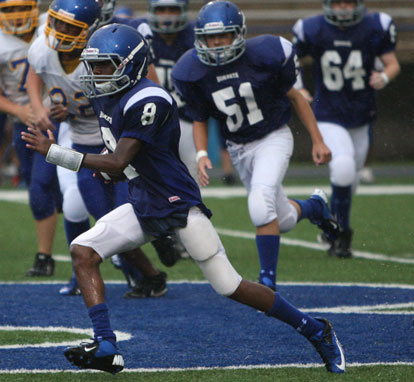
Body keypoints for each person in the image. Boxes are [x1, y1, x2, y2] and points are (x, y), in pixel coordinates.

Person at [22, 23, 345, 375]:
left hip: (176, 204)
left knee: (230, 286)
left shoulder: (150, 99)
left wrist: (56, 153)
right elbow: (116, 158)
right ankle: (105, 345)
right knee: (83, 251)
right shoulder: (107, 95)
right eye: (94, 64)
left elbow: (120, 160)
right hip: (142, 201)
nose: (96, 73)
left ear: (130, 64)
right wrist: (107, 166)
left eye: (105, 65)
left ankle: (316, 329)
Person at [171, 1, 339, 291]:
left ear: (239, 34)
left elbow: (297, 97)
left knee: (260, 206)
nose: (217, 43)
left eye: (223, 36)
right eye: (211, 37)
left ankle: (267, 282)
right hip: (238, 147)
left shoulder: (265, 55)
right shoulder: (192, 70)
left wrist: (318, 140)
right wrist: (201, 154)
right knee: (281, 218)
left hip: (273, 137)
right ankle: (315, 208)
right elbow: (199, 117)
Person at [27, 0, 168, 298]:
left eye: (70, 27)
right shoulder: (42, 49)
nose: (60, 32)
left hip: (117, 142)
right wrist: (40, 108)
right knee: (101, 221)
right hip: (80, 142)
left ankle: (161, 244)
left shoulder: (105, 56)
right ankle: (147, 275)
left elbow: (140, 97)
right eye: (58, 23)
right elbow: (34, 74)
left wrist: (74, 112)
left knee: (120, 219)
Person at [292, 0, 401, 258]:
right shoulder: (313, 28)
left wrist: (385, 76)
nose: (343, 8)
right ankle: (341, 235)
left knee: (350, 179)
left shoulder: (376, 25)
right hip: (328, 114)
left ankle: (329, 220)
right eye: (337, 2)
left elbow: (392, 63)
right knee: (342, 168)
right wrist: (297, 87)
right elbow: (291, 59)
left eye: (348, 2)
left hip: (361, 116)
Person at [0, 0, 83, 277]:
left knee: (42, 186)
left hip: (57, 119)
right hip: (23, 121)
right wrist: (19, 110)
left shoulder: (54, 24)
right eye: (8, 9)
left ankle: (45, 256)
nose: (16, 14)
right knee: (44, 191)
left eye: (21, 7)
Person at [128, 0, 198, 181]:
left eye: (173, 10)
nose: (166, 15)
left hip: (185, 116)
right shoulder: (140, 32)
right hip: (149, 115)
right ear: (152, 11)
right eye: (161, 10)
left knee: (191, 171)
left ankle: (192, 207)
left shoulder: (195, 37)